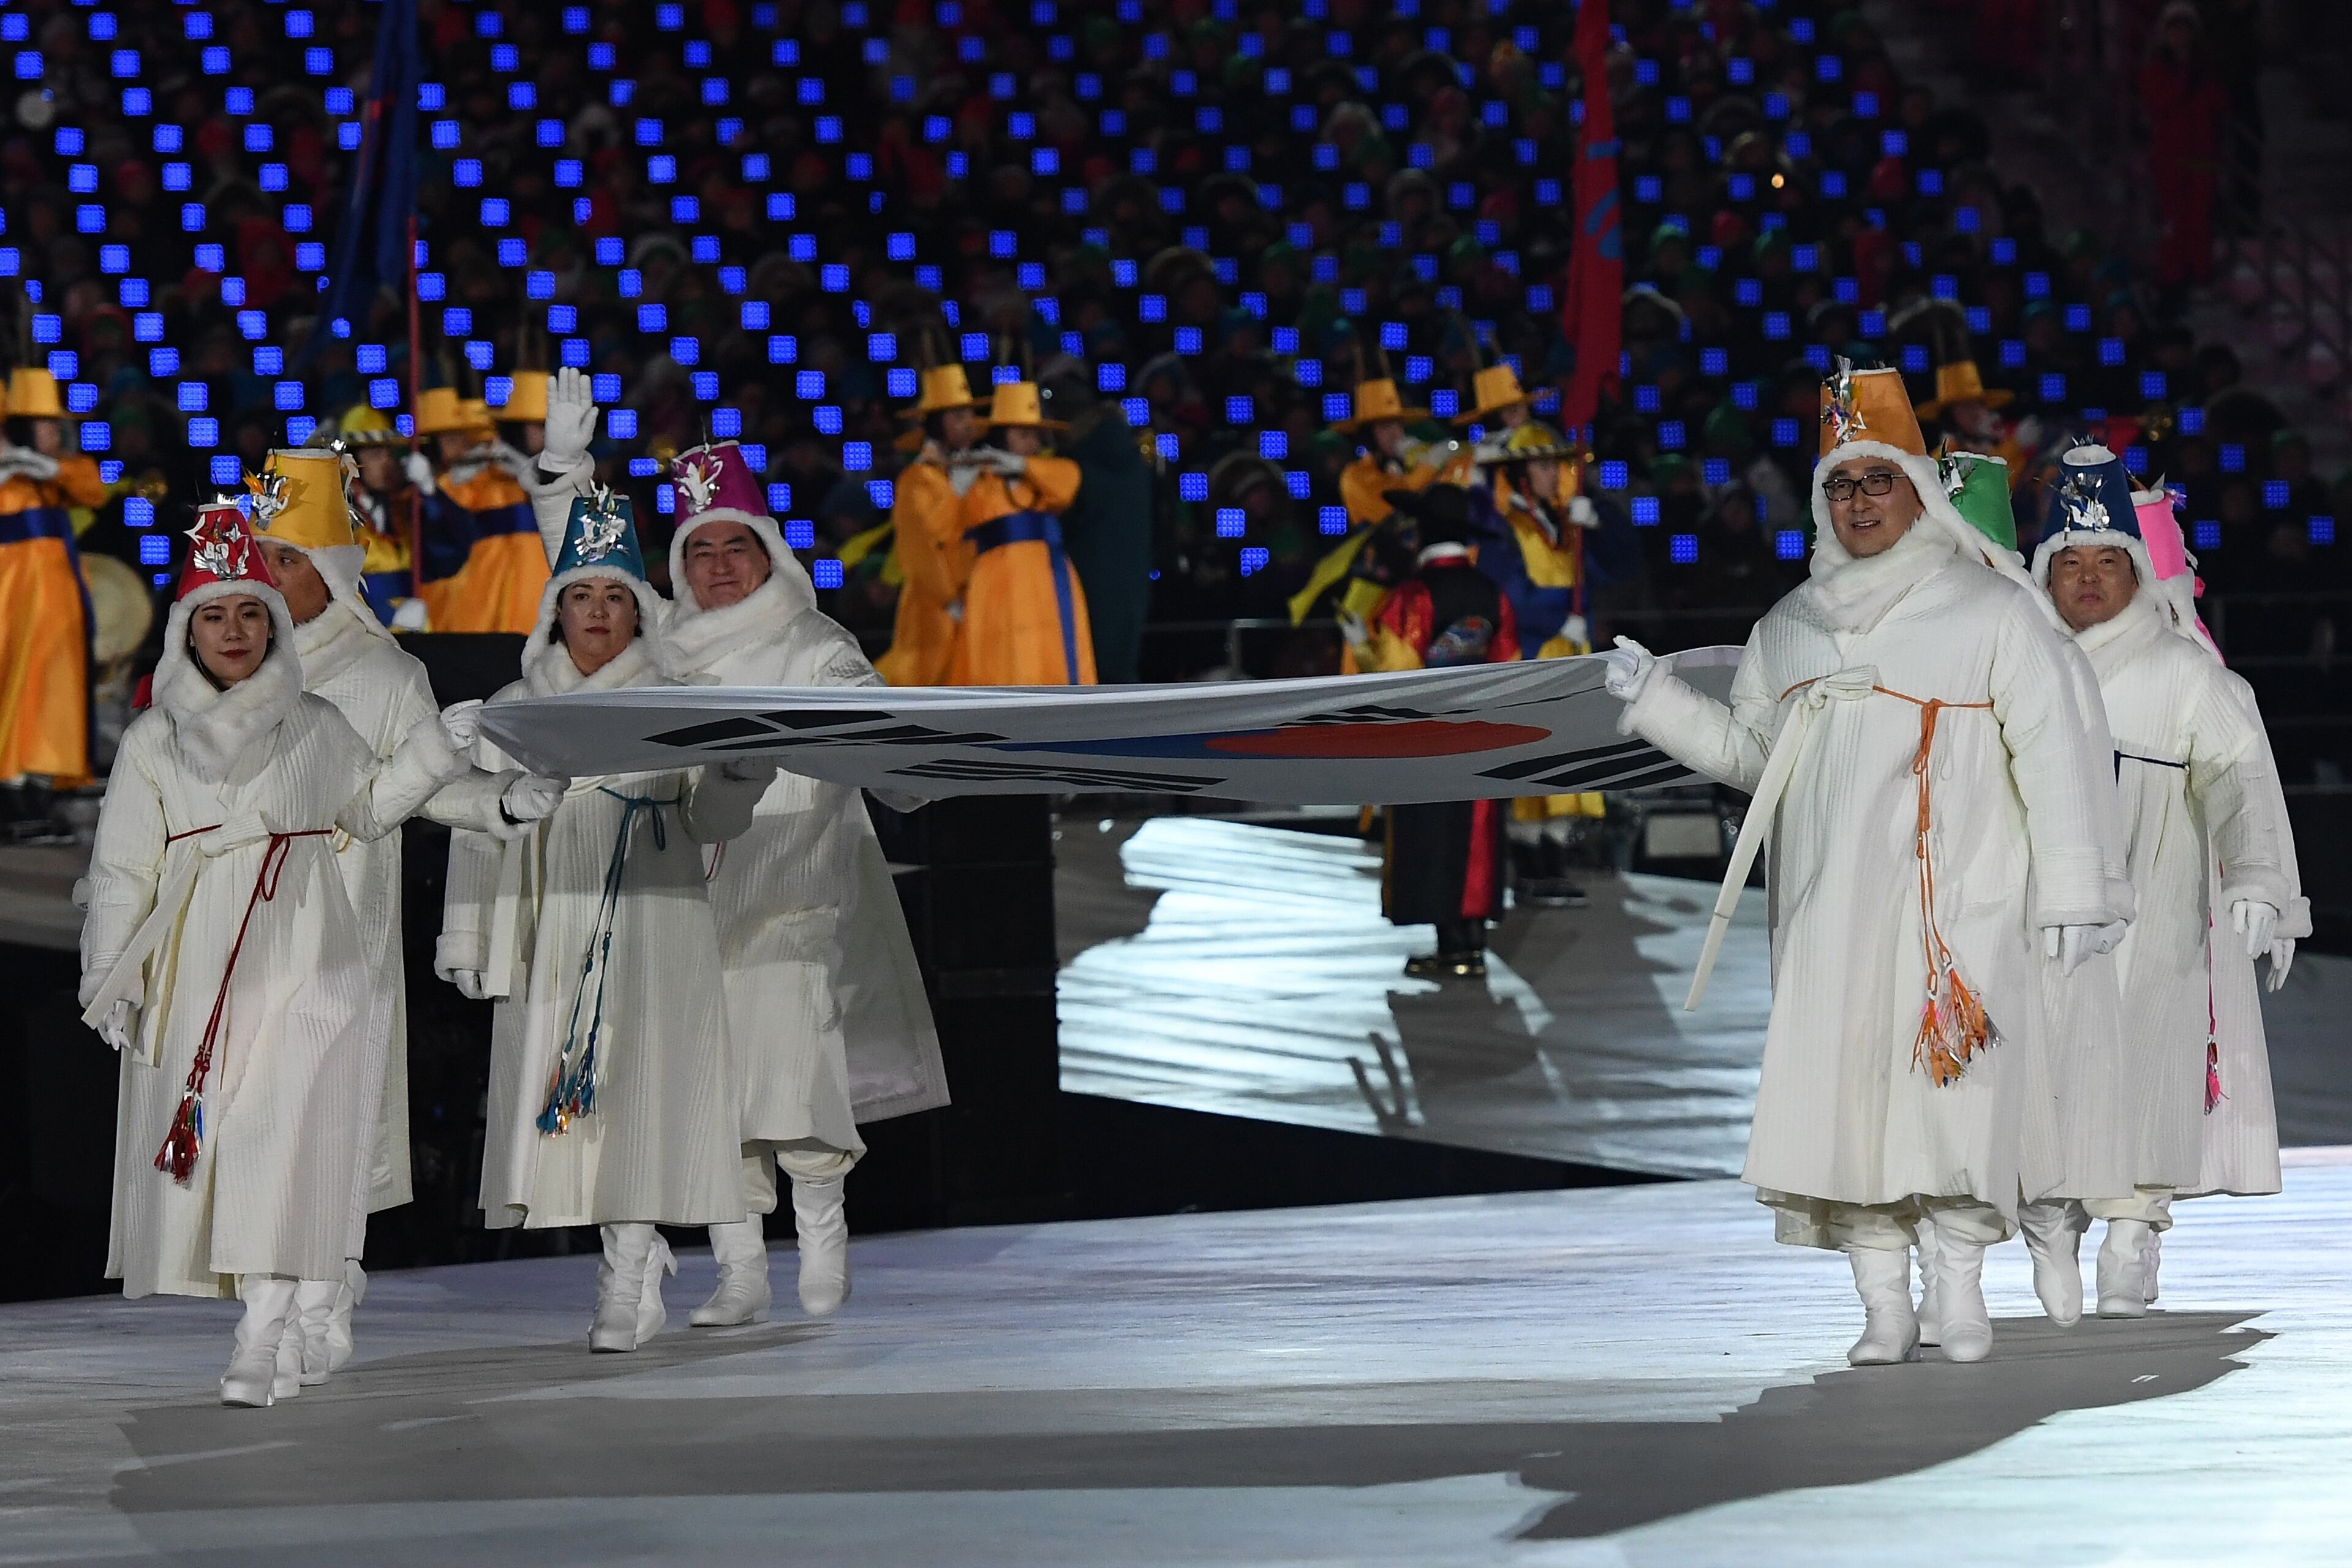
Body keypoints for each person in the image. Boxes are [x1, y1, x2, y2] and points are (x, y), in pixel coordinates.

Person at [1599, 364, 2127, 1366]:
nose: (1857, 503)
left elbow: (2054, 752)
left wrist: (2072, 889)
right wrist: (1661, 702)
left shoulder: (1989, 613)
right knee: (1851, 1107)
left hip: (1959, 912)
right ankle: (1885, 1302)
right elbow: (1758, 760)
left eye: (1877, 481)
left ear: (1919, 491)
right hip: (1829, 916)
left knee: (1956, 1095)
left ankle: (1960, 1286)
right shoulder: (1789, 624)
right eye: (1841, 486)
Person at [76, 500, 483, 1406]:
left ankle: (261, 1337)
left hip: (314, 954)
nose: (234, 630)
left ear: (275, 623)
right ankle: (275, 1321)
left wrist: (430, 754)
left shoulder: (321, 724)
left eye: (251, 612)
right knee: (235, 1144)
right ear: (188, 628)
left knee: (286, 1139)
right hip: (201, 959)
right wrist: (110, 975)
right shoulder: (152, 740)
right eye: (215, 614)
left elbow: (370, 810)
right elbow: (120, 871)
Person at [244, 445, 563, 1382]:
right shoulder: (227, 663)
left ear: (333, 574)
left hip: (340, 931)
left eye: (289, 559)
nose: (267, 573)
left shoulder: (384, 677)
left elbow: (436, 790)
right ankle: (275, 1297)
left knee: (329, 1116)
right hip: (246, 935)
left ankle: (324, 1292)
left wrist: (503, 806)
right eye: (262, 553)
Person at [434, 486, 774, 1353]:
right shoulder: (515, 703)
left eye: (615, 596)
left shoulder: (674, 697)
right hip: (554, 920)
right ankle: (628, 1259)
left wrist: (740, 774)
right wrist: (469, 933)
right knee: (568, 1110)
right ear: (557, 608)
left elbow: (711, 824)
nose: (598, 612)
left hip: (659, 922)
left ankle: (623, 1280)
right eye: (582, 595)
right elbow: (478, 827)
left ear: (639, 610)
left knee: (640, 1096)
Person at [663, 437, 948, 1324]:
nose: (718, 567)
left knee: (793, 1057)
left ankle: (823, 1229)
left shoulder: (815, 643)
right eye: (699, 552)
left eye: (733, 548)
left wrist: (913, 772)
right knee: (716, 1075)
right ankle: (740, 1268)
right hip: (690, 892)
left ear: (767, 552)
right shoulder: (663, 652)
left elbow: (879, 733)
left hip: (795, 879)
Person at [2025, 449, 2297, 1315]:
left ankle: (2134, 1237)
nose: (2089, 579)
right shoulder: (2017, 666)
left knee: (2146, 1063)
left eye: (2109, 562)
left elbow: (2240, 778)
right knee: (2046, 1066)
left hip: (2158, 903)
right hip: (2040, 908)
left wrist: (2258, 878)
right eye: (2071, 563)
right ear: (2047, 575)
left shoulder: (2185, 675)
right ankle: (2051, 1231)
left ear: (2139, 572)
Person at [1341, 483, 1519, 978]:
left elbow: (1398, 673)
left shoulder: (1414, 595)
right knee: (1477, 836)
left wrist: (1362, 646)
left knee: (1435, 836)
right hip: (1483, 735)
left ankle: (1449, 945)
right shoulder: (1491, 593)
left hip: (1430, 741)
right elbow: (1511, 664)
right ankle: (1472, 945)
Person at [1468, 423, 1603, 906]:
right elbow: (1507, 595)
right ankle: (1530, 865)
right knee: (1534, 757)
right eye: (1544, 465)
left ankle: (1554, 859)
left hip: (1568, 653)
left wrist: (1596, 522)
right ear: (1521, 474)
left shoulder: (1564, 521)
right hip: (1532, 653)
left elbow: (1612, 572)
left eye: (1556, 464)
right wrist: (1557, 615)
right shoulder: (1502, 527)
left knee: (1567, 755)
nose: (1555, 474)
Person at [1, 365, 107, 843]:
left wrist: (52, 467)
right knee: (14, 699)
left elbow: (95, 490)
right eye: (44, 424)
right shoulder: (10, 480)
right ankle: (14, 798)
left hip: (59, 615)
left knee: (54, 703)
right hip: (13, 612)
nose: (54, 432)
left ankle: (40, 794)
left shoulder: (60, 472)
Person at [951, 377, 1095, 685]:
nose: (1033, 444)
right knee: (1005, 659)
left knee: (1052, 652)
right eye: (1023, 435)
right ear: (1003, 437)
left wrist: (1021, 465)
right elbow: (955, 533)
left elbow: (1069, 483)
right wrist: (957, 487)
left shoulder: (1043, 472)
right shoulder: (981, 480)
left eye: (1035, 435)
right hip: (996, 583)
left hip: (1049, 582)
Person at [409, 386, 559, 634]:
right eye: (450, 439)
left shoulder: (523, 482)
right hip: (469, 620)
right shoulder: (459, 488)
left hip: (533, 618)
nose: (465, 447)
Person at [875, 363, 986, 687]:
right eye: (957, 416)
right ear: (937, 424)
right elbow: (918, 549)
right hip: (935, 607)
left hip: (977, 599)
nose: (968, 424)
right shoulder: (917, 479)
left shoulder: (975, 472)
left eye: (969, 415)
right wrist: (949, 599)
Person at [333, 404, 425, 627]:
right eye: (375, 455)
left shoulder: (404, 508)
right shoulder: (337, 518)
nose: (386, 463)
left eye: (388, 454)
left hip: (417, 632)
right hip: (368, 637)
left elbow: (448, 556)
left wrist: (431, 493)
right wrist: (389, 615)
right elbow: (333, 584)